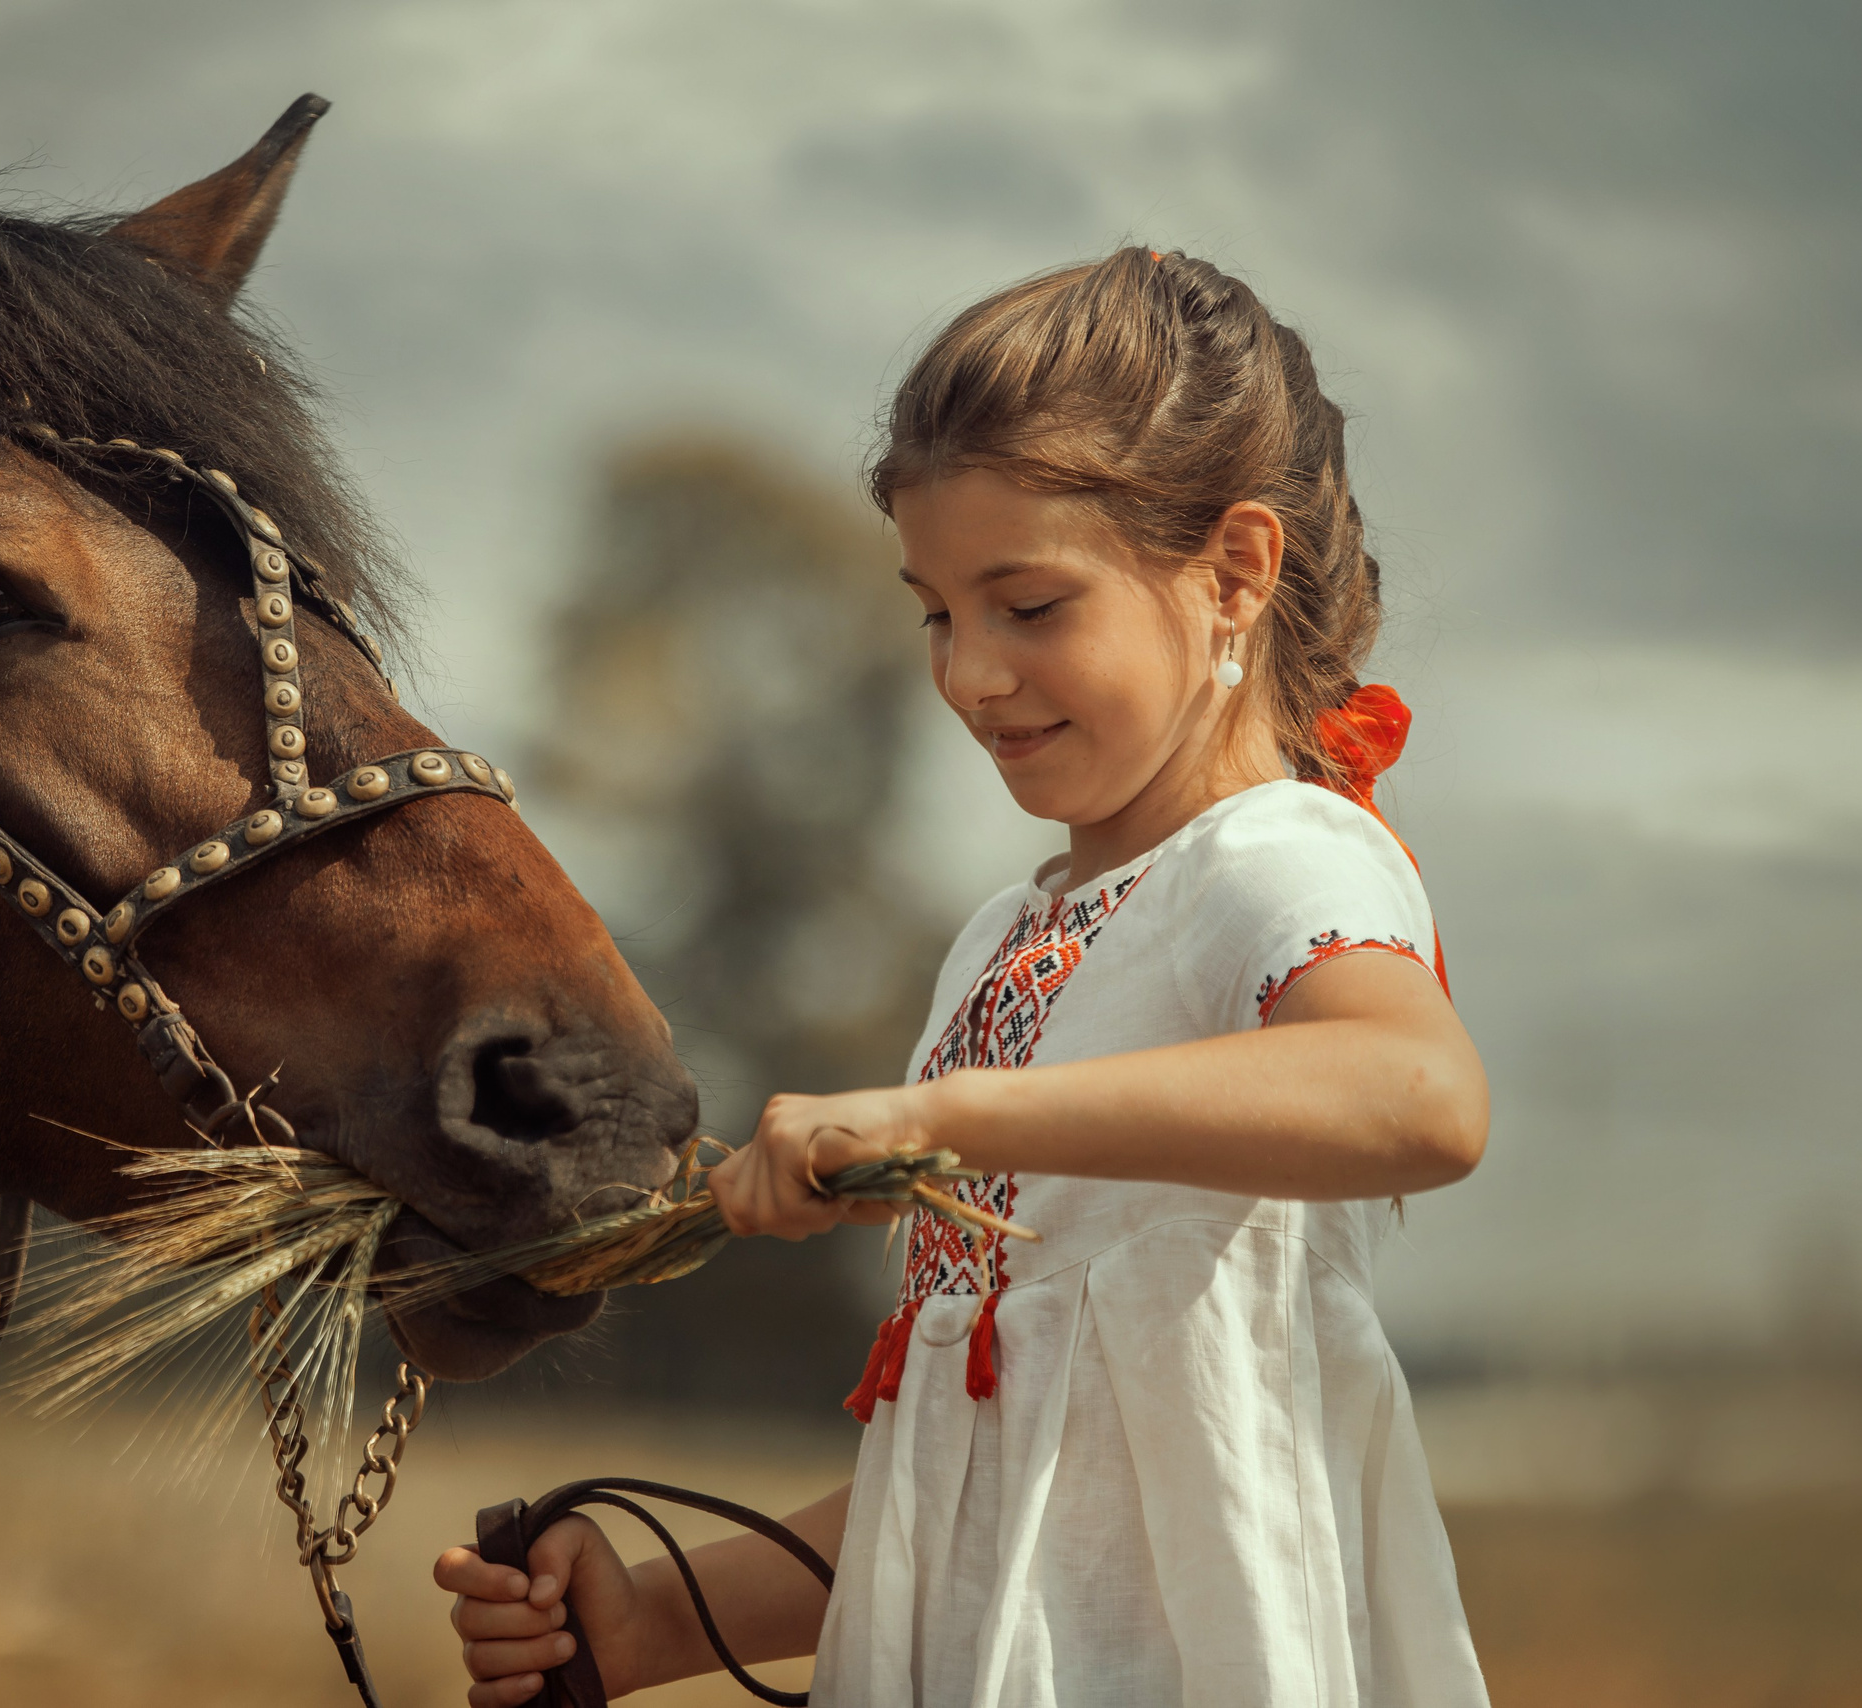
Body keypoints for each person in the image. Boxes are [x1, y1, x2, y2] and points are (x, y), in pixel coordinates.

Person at [436, 248, 1494, 1707]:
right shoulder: (1001, 941)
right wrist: (647, 1628)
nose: (970, 674)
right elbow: (975, 1466)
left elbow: (1422, 1096)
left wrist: (957, 1118)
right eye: (938, 612)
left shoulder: (1273, 858)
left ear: (1236, 572)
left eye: (1030, 606)